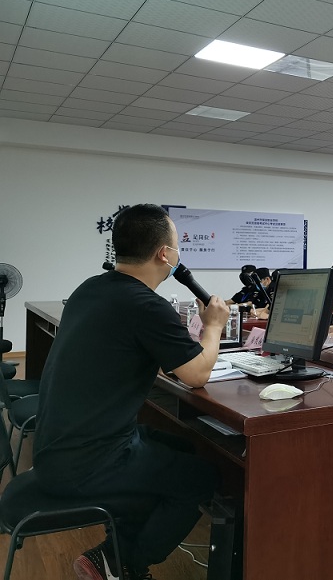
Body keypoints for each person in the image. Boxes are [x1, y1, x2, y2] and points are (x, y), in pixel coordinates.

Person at [33, 204, 226, 580]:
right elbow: (197, 374)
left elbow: (135, 352)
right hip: (86, 462)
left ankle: (111, 553)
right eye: (178, 246)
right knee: (201, 479)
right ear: (164, 254)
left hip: (56, 445)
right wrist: (214, 326)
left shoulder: (91, 288)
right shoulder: (146, 305)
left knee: (183, 447)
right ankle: (126, 566)